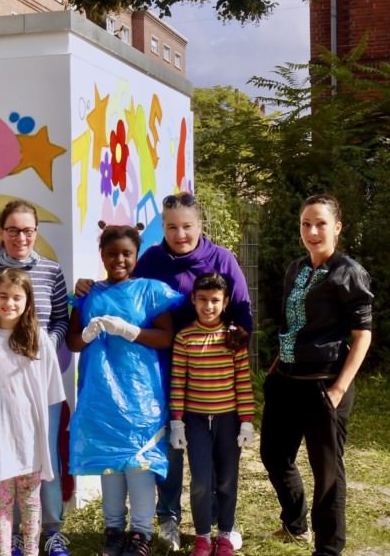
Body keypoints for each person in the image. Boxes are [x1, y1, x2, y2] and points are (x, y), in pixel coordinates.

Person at [75, 192, 252, 551]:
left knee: (214, 457)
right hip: (161, 371)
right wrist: (86, 288)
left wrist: (237, 337)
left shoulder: (222, 259)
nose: (180, 233)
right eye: (172, 227)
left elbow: (243, 312)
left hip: (208, 375)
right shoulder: (152, 260)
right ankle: (167, 516)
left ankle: (218, 524)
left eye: (187, 226)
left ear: (199, 225)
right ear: (163, 228)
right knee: (169, 450)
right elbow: (121, 290)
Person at [260, 194, 373, 556]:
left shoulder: (348, 272)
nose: (312, 231)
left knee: (327, 474)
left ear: (337, 227)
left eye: (320, 223)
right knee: (274, 455)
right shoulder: (296, 268)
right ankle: (296, 524)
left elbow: (362, 335)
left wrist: (340, 388)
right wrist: (280, 360)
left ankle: (328, 549)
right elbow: (293, 322)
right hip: (287, 380)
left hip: (325, 385)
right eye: (305, 224)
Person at [0, 199, 71, 556]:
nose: (20, 237)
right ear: (2, 232)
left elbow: (61, 322)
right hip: (0, 384)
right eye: (13, 230)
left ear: (36, 232)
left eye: (27, 230)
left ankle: (48, 534)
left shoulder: (52, 271)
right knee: (7, 462)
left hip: (37, 382)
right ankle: (8, 543)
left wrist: (43, 349)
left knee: (42, 456)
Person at [66, 224, 182, 556]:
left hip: (139, 394)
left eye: (126, 254)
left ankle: (141, 533)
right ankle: (113, 530)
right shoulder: (88, 295)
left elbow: (165, 337)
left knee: (139, 463)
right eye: (112, 253)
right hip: (101, 394)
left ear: (136, 256)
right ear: (101, 254)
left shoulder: (150, 291)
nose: (119, 259)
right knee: (110, 464)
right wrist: (85, 336)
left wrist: (131, 331)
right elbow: (73, 340)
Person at [169, 273, 255, 556]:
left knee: (228, 479)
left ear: (225, 301)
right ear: (193, 299)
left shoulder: (234, 337)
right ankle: (203, 537)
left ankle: (226, 536)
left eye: (215, 300)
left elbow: (242, 382)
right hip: (194, 421)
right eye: (203, 300)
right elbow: (178, 381)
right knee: (201, 480)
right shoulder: (184, 338)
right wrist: (177, 421)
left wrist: (246, 422)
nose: (209, 306)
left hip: (228, 421)